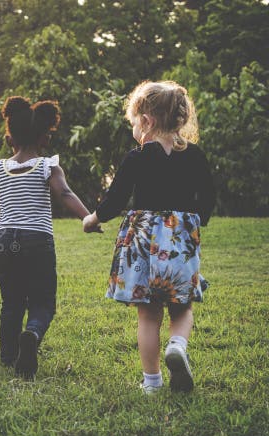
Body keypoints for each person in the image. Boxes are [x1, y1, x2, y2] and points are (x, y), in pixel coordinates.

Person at [82, 81, 214, 394]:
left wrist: (91, 219)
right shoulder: (194, 155)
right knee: (182, 308)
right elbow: (208, 196)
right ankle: (178, 346)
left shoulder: (137, 157)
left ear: (147, 121)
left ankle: (152, 383)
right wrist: (194, 221)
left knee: (149, 315)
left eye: (134, 122)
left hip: (144, 244)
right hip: (180, 242)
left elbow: (115, 200)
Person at [0, 96, 99, 379]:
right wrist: (88, 218)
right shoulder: (47, 167)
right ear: (43, 139)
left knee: (11, 301)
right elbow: (65, 193)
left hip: (4, 240)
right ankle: (31, 333)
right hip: (37, 240)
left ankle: (8, 357)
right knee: (42, 302)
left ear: (9, 139)